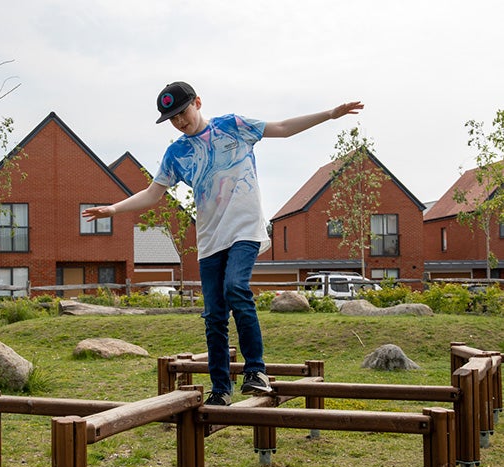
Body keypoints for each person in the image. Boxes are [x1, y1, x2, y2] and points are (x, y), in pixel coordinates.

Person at [82, 81, 362, 405]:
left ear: (198, 102)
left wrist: (330, 114)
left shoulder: (233, 127)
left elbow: (282, 128)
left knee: (235, 288)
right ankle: (221, 389)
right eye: (172, 119)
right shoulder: (176, 153)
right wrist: (113, 208)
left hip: (245, 230)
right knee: (214, 314)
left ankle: (255, 370)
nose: (180, 122)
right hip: (209, 240)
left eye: (182, 113)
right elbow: (152, 193)